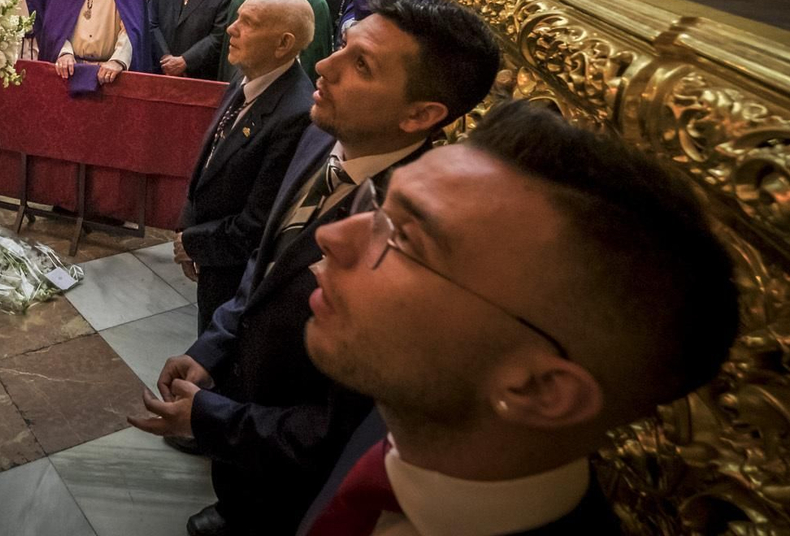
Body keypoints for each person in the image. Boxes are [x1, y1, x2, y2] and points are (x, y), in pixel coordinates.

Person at [132, 0, 502, 536]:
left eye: (361, 64)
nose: (323, 66)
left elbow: (334, 425)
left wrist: (211, 419)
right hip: (248, 394)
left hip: (296, 482)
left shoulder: (414, 241)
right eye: (344, 45)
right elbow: (268, 260)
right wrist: (213, 348)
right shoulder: (320, 133)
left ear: (420, 114)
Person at [297, 100, 739, 536]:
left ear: (539, 388)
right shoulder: (411, 417)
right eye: (381, 207)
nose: (331, 236)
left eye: (407, 240)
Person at [176, 0, 316, 331]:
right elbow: (212, 158)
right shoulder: (248, 76)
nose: (231, 29)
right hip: (212, 252)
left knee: (218, 356)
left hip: (236, 274)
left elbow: (259, 223)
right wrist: (188, 226)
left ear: (283, 44)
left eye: (247, 23)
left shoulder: (295, 114)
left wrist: (192, 243)